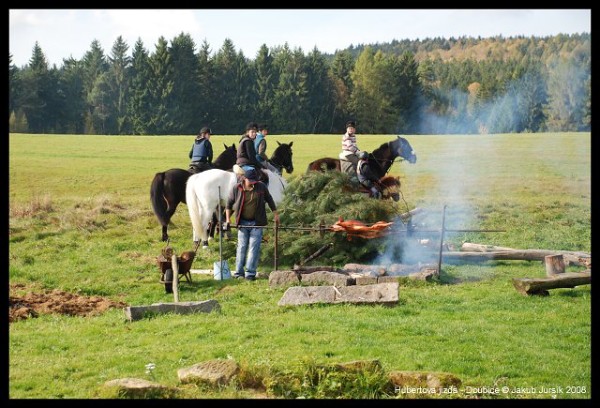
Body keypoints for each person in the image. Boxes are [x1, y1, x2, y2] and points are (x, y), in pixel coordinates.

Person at [224, 167, 279, 281]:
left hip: (257, 222)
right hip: (242, 223)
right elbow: (229, 204)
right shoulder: (236, 188)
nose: (253, 183)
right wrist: (228, 219)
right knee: (242, 247)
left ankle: (250, 273)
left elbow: (269, 199)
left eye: (255, 180)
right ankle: (239, 272)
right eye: (251, 180)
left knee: (254, 247)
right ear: (244, 179)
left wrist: (275, 214)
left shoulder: (261, 187)